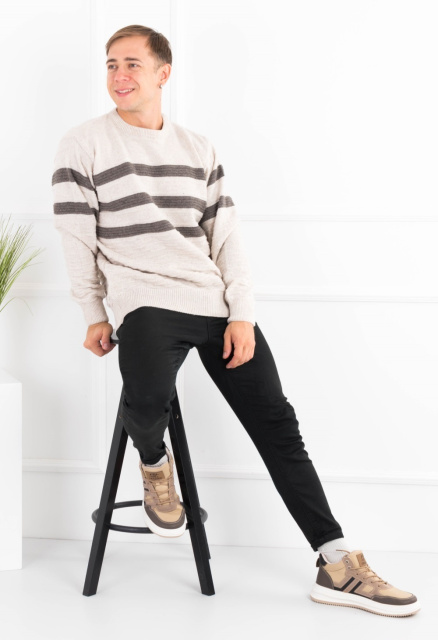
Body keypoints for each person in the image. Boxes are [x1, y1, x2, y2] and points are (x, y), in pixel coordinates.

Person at [51, 24, 420, 617]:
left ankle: (336, 563)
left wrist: (241, 314)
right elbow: (75, 235)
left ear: (163, 73)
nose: (119, 75)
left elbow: (225, 237)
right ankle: (155, 465)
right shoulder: (83, 143)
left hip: (214, 304)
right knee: (146, 398)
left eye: (132, 64)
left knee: (278, 425)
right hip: (144, 299)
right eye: (111, 64)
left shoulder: (198, 147)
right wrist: (93, 310)